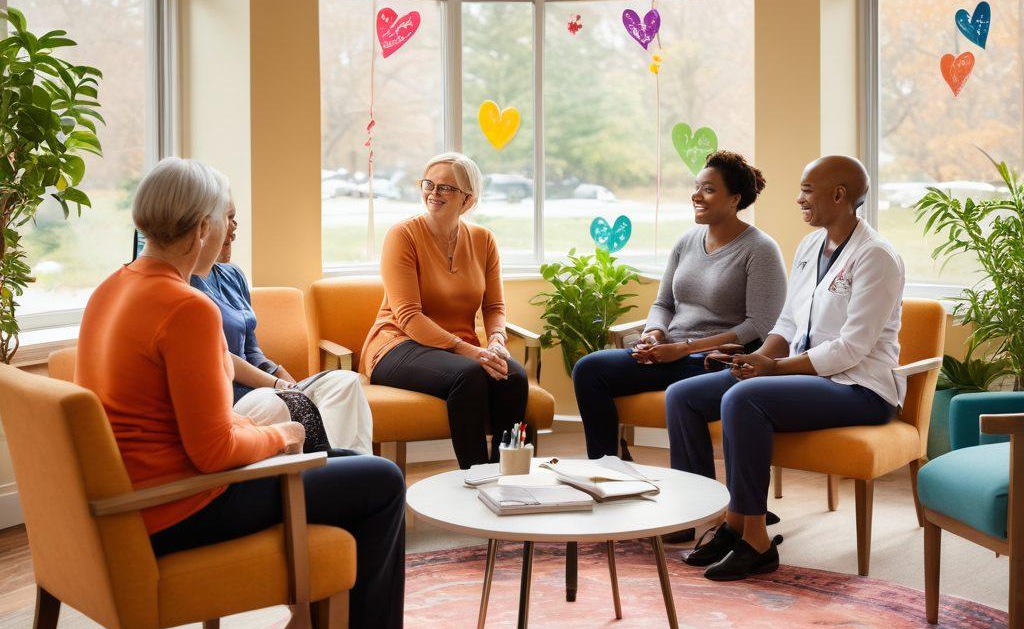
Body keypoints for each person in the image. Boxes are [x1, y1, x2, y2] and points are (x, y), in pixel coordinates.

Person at [75, 157, 411, 629]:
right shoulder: (187, 308)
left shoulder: (114, 287)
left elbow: (182, 420)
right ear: (202, 228)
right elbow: (213, 452)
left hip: (139, 497)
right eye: (223, 221)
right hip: (181, 506)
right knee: (381, 483)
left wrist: (260, 429)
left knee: (350, 460)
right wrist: (280, 438)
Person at [666, 155, 906, 581]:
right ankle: (718, 522)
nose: (799, 199)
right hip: (802, 371)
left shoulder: (877, 257)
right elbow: (790, 322)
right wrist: (761, 357)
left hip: (859, 387)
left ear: (839, 195)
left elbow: (852, 348)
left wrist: (775, 369)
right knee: (684, 396)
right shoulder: (811, 246)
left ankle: (754, 539)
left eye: (807, 191)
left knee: (744, 397)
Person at [572, 151, 787, 461]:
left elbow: (758, 326)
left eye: (709, 189)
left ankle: (698, 497)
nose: (696, 195)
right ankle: (609, 469)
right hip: (669, 355)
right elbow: (663, 302)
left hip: (714, 361)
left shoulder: (760, 249)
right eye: (697, 186)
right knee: (590, 369)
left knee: (682, 389)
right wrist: (655, 334)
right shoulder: (687, 241)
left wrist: (686, 348)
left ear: (734, 199)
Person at [362, 152, 527, 469]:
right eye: (429, 184)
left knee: (514, 376)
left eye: (445, 188)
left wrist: (495, 340)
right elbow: (408, 316)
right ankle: (476, 475)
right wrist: (469, 351)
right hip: (397, 345)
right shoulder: (403, 236)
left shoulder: (483, 239)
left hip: (456, 349)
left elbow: (494, 306)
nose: (433, 193)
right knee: (468, 376)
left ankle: (505, 474)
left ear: (468, 198)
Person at [191, 201, 373, 454]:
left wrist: (279, 373)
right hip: (236, 397)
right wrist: (277, 385)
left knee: (345, 383)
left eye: (236, 218)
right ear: (204, 225)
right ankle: (328, 466)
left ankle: (351, 466)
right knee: (282, 402)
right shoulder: (185, 286)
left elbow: (250, 348)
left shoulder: (232, 275)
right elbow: (222, 356)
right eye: (229, 218)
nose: (234, 228)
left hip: (263, 386)